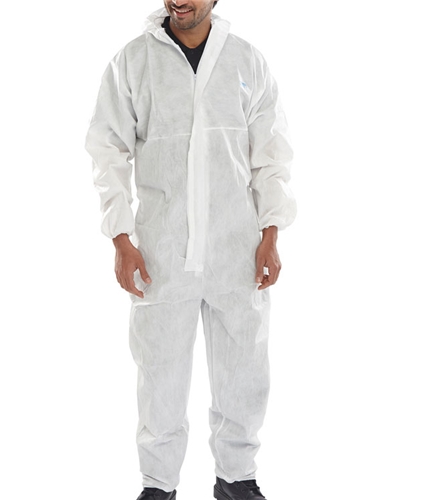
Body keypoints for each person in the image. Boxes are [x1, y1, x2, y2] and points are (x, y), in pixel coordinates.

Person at [84, 1, 296, 499]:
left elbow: (270, 155)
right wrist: (121, 238)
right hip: (161, 252)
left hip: (237, 249)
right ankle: (158, 486)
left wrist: (271, 232)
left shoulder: (246, 61)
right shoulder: (132, 62)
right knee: (159, 378)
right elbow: (107, 150)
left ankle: (237, 480)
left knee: (244, 372)